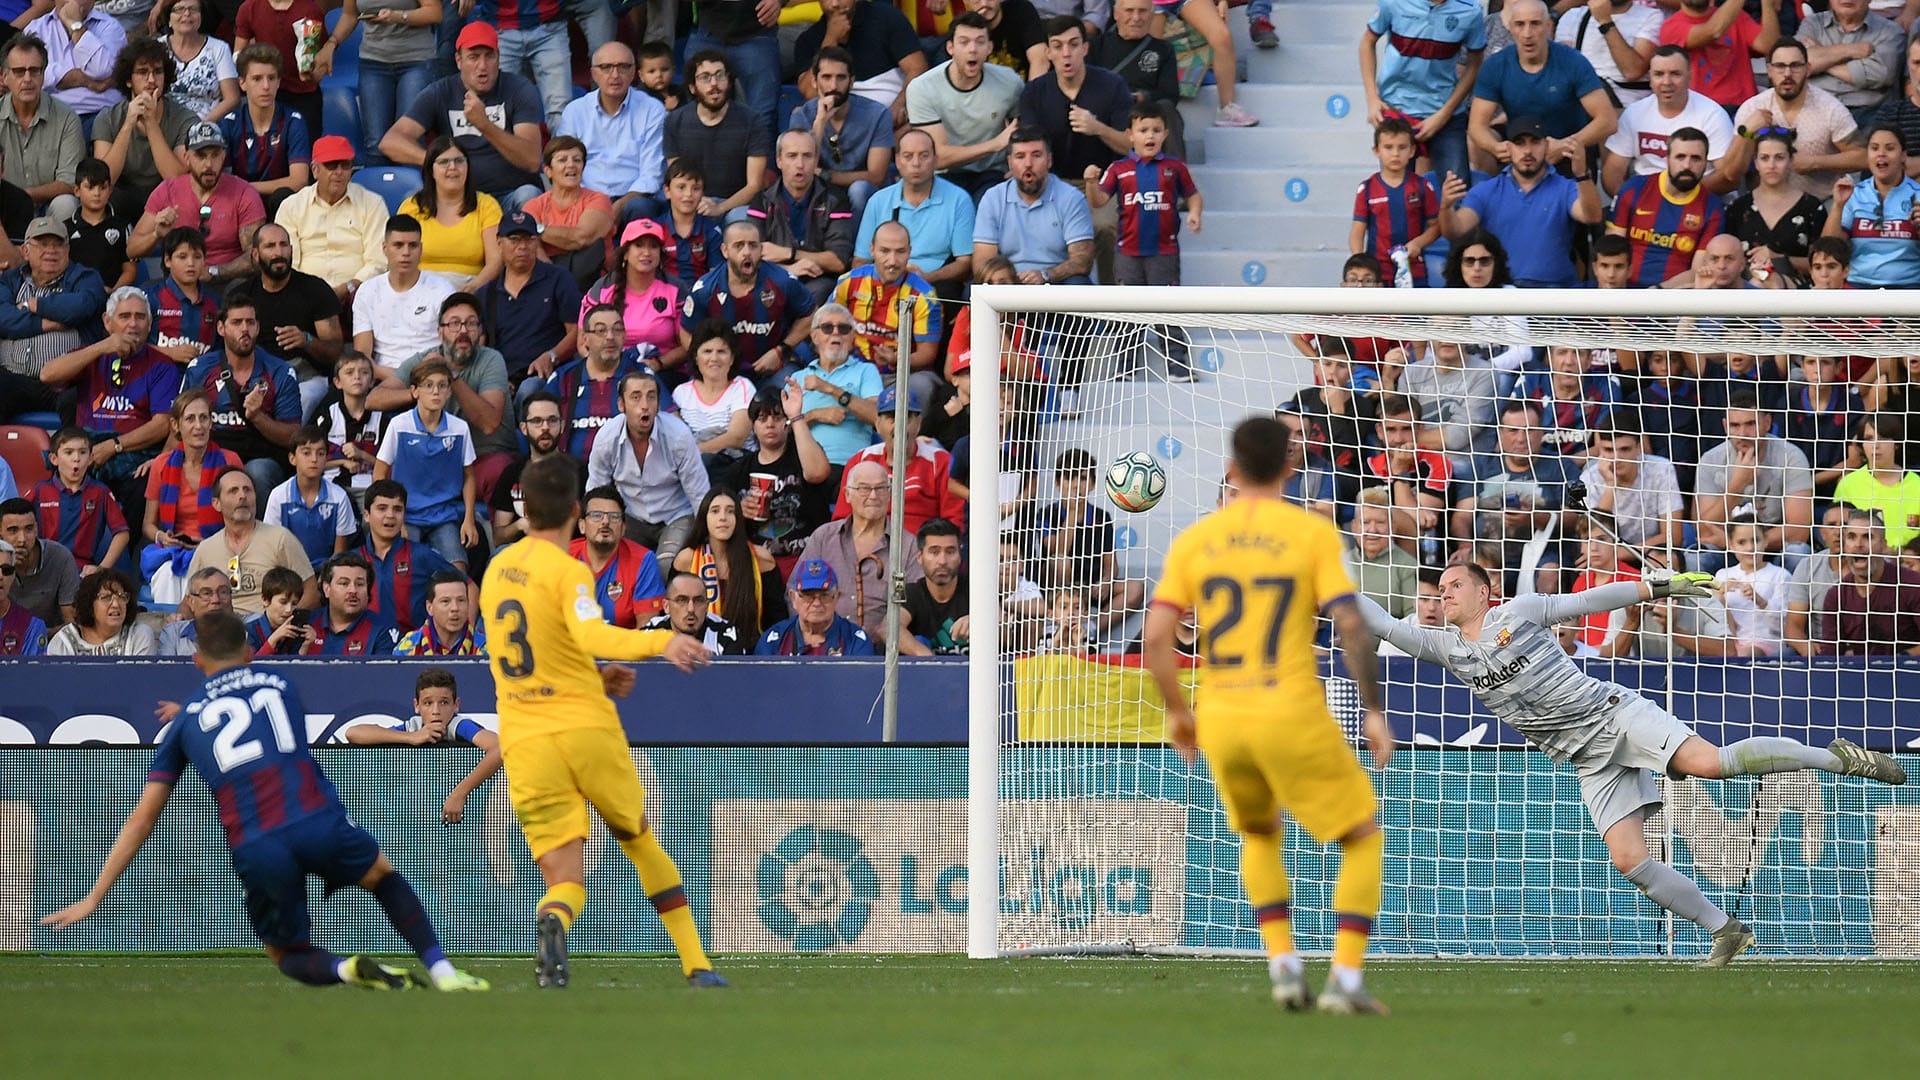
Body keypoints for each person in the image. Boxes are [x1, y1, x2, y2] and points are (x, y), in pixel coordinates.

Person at [1360, 559, 1904, 966]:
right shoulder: (1444, 647)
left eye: (1455, 585)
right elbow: (1382, 624)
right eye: (1441, 588)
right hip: (1585, 757)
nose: (1444, 594)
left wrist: (1656, 586)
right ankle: (1727, 930)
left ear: (1486, 591)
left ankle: (1836, 758)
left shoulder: (1518, 612)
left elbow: (1591, 601)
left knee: (1709, 764)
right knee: (1630, 862)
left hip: (1614, 714)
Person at [40, 608, 490, 992]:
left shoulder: (187, 721)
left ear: (196, 660)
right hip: (317, 819)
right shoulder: (280, 685)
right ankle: (443, 970)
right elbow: (251, 713)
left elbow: (143, 817)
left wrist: (94, 896)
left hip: (257, 843)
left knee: (284, 952)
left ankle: (344, 968)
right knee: (383, 876)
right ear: (251, 650)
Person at [1143, 415, 1391, 1012]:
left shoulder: (1196, 540)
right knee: (1361, 835)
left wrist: (1178, 714)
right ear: (1289, 466)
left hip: (1222, 716)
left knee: (1259, 831)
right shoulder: (1309, 535)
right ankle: (1345, 981)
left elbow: (1155, 636)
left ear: (1232, 466)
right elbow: (1351, 625)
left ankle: (1283, 965)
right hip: (1290, 709)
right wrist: (1374, 712)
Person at [478, 452, 720, 988]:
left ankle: (553, 920)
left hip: (524, 737)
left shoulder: (496, 569)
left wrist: (593, 673)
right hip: (583, 727)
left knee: (565, 876)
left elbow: (536, 646)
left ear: (522, 505)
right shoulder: (569, 571)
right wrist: (663, 640)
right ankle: (697, 964)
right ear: (574, 512)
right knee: (637, 838)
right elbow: (589, 634)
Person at [31, 285, 178, 523]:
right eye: (124, 316)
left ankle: (121, 558)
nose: (133, 324)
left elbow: (162, 424)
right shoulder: (92, 354)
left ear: (150, 325)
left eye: (140, 317)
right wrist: (103, 346)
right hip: (87, 452)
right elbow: (48, 374)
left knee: (143, 484)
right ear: (107, 322)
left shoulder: (162, 365)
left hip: (133, 454)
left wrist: (114, 446)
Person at [1085, 101, 1198, 379]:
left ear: (1165, 134)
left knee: (1167, 308)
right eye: (1143, 130)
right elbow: (1099, 200)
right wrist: (1090, 182)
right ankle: (1126, 367)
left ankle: (1177, 365)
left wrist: (1195, 212)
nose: (1150, 136)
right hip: (1128, 253)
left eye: (1156, 130)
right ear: (1130, 135)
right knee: (1128, 311)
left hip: (1164, 252)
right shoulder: (1119, 169)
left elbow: (1192, 194)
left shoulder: (1175, 167)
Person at [369, 291, 518, 500]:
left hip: (484, 457)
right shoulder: (426, 358)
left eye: (471, 324)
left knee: (500, 469)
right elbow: (373, 399)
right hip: (437, 460)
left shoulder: (491, 359)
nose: (463, 331)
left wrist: (451, 375)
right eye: (455, 324)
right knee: (395, 473)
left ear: (480, 330)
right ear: (440, 332)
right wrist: (421, 390)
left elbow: (489, 423)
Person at [379, 22, 544, 211]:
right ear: (458, 61)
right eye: (473, 57)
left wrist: (485, 125)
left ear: (498, 58)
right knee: (414, 201)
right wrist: (440, 161)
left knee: (530, 196)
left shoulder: (519, 89)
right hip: (459, 199)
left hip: (510, 193)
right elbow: (390, 142)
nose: (482, 66)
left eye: (489, 56)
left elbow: (531, 160)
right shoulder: (440, 92)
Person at [1022, 16, 1131, 284]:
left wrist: (1098, 128)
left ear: (1085, 48)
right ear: (1047, 52)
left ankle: (1112, 305)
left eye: (1073, 44)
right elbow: (1030, 147)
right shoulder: (1034, 91)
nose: (1066, 53)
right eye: (1057, 46)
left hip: (1105, 182)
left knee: (1105, 226)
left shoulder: (1112, 85)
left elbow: (1130, 145)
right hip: (1053, 184)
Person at [1439, 115, 1604, 288]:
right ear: (1508, 147)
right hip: (1503, 294)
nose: (1527, 151)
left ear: (1547, 145)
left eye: (1535, 142)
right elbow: (1456, 231)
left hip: (1555, 295)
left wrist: (1582, 174)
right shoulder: (1487, 190)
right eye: (1520, 143)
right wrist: (1446, 207)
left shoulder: (1566, 188)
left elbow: (1591, 216)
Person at [1470, 1, 1617, 171]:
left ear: (1548, 26)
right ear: (1510, 27)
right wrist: (1495, 147)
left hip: (1567, 147)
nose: (1527, 33)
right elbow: (1476, 126)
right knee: (1477, 144)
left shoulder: (1573, 61)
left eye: (1535, 24)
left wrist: (1565, 145)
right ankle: (1492, 191)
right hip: (1519, 145)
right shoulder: (1496, 65)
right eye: (1520, 24)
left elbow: (1608, 120)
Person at [343, 667, 501, 825]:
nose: (436, 711)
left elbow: (498, 748)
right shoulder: (413, 726)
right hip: (423, 816)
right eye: (428, 703)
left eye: (444, 702)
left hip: (471, 814)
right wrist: (411, 737)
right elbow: (353, 733)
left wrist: (459, 793)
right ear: (416, 705)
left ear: (456, 705)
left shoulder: (460, 726)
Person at [585, 370, 708, 565]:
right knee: (620, 566)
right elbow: (596, 492)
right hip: (631, 517)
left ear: (659, 404)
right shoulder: (607, 437)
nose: (645, 405)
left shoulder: (679, 436)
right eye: (635, 397)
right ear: (621, 405)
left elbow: (699, 494)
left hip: (676, 515)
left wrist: (708, 541)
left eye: (651, 397)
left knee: (665, 565)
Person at [1360, 0, 1487, 187]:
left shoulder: (1470, 10)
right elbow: (1367, 42)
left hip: (1445, 113)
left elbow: (1475, 61)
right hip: (1398, 109)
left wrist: (1444, 114)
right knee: (1396, 191)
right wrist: (1372, 98)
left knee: (1457, 193)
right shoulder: (1393, 3)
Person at [180, 297, 301, 493]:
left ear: (258, 328)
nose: (244, 329)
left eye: (250, 322)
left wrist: (258, 417)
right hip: (211, 452)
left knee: (258, 473)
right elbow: (179, 424)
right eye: (236, 323)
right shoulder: (200, 368)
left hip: (260, 458)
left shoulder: (280, 371)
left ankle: (259, 525)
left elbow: (293, 436)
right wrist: (163, 458)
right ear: (221, 328)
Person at [1723, 37, 1865, 200]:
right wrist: (1747, 133)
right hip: (1765, 204)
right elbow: (1731, 173)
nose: (1787, 74)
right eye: (1780, 66)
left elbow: (1862, 157)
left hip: (1820, 202)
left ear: (1808, 69)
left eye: (1795, 66)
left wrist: (1815, 162)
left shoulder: (1830, 108)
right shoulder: (1752, 108)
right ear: (1769, 70)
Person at [226, 221, 344, 419]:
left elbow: (336, 352)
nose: (278, 253)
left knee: (298, 404)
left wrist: (306, 341)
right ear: (255, 254)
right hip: (254, 376)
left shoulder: (315, 290)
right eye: (270, 246)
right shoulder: (241, 295)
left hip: (305, 378)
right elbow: (227, 349)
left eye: (283, 245)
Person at [680, 219, 816, 388]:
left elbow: (810, 313)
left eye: (753, 245)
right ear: (725, 250)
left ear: (761, 249)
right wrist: (708, 366)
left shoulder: (782, 281)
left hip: (772, 369)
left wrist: (782, 351)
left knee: (790, 391)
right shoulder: (705, 289)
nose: (747, 252)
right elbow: (686, 331)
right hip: (722, 373)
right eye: (739, 245)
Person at [1691, 391, 1815, 574]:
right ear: (1725, 426)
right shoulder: (1710, 460)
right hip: (1727, 552)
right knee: (1694, 558)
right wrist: (1737, 486)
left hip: (1773, 549)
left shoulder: (1791, 456)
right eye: (1735, 425)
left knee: (1798, 553)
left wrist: (1742, 543)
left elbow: (1799, 530)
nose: (1743, 434)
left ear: (1767, 423)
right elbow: (1704, 531)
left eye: (1750, 424)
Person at [798, 457, 923, 638]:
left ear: (890, 494)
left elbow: (912, 604)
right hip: (824, 645)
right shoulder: (824, 538)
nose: (873, 495)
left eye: (881, 488)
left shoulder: (908, 545)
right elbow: (795, 592)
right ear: (847, 494)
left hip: (882, 651)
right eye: (864, 488)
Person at [907, 13, 1025, 201]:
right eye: (964, 42)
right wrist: (995, 145)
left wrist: (1019, 166)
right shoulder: (923, 88)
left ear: (989, 48)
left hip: (992, 173)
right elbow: (937, 156)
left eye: (980, 42)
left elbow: (1023, 130)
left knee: (987, 210)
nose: (972, 49)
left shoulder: (1010, 82)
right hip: (943, 174)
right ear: (950, 48)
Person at [373, 359, 476, 570]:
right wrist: (394, 518)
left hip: (443, 515)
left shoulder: (460, 428)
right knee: (404, 569)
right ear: (414, 391)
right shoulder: (399, 425)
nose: (435, 391)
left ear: (449, 391)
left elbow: (469, 476)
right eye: (428, 385)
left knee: (458, 570)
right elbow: (380, 473)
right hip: (407, 514)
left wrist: (469, 519)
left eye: (442, 385)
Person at [127, 119, 264, 276]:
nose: (208, 165)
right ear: (187, 157)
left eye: (215, 155)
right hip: (178, 281)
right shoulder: (167, 191)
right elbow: (132, 249)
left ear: (223, 156)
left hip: (228, 282)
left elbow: (256, 255)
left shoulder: (244, 193)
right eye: (201, 156)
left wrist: (213, 272)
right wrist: (156, 235)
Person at [853, 128, 975, 304]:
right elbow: (860, 260)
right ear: (897, 161)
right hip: (884, 281)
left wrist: (925, 278)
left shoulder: (959, 199)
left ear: (936, 160)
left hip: (936, 285)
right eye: (908, 156)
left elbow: (965, 264)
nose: (916, 163)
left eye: (924, 156)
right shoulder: (878, 201)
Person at [554, 42, 665, 228]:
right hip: (585, 198)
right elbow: (564, 166)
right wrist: (595, 205)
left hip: (633, 198)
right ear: (594, 74)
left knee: (640, 207)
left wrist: (620, 205)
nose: (615, 75)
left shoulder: (653, 110)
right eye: (606, 67)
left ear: (634, 73)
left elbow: (652, 174)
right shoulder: (575, 111)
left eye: (623, 67)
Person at [1601, 46, 1738, 196]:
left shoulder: (1712, 115)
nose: (1666, 82)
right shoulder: (1634, 113)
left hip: (1699, 199)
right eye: (1659, 74)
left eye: (1675, 74)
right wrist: (1626, 203)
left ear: (1689, 77)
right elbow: (1613, 172)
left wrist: (1674, 198)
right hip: (1645, 199)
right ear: (1650, 79)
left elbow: (1727, 178)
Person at [831, 383, 964, 536]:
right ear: (878, 424)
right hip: (868, 550)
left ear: (918, 423)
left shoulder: (940, 461)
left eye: (906, 417)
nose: (899, 425)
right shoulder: (861, 460)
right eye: (891, 418)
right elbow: (842, 521)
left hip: (921, 552)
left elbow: (955, 522)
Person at [184, 466, 318, 615]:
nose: (242, 496)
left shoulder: (280, 538)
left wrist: (287, 622)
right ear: (217, 503)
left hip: (268, 630)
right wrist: (179, 618)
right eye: (233, 491)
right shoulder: (206, 549)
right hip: (220, 631)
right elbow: (188, 602)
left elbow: (311, 594)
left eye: (247, 490)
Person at [833, 220, 943, 399]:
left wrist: (897, 360)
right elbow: (827, 325)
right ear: (872, 249)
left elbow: (927, 353)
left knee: (922, 385)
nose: (892, 261)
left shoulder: (925, 295)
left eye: (900, 252)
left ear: (909, 252)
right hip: (852, 368)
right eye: (884, 251)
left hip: (898, 375)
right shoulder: (848, 282)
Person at [723, 385, 832, 565]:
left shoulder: (802, 456)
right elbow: (719, 517)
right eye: (762, 418)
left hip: (807, 557)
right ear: (753, 427)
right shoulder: (738, 470)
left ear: (787, 424)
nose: (770, 423)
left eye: (777, 416)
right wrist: (737, 511)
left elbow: (818, 473)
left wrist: (796, 417)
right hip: (757, 561)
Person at [320, 0, 439, 165]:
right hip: (373, 62)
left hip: (416, 60)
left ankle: (412, 189)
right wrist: (331, 43)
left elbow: (435, 12)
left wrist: (399, 16)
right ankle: (377, 187)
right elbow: (349, 15)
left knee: (408, 141)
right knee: (375, 144)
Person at [89, 37, 196, 219]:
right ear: (129, 80)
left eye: (158, 72)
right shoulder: (108, 118)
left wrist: (151, 123)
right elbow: (103, 181)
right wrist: (128, 124)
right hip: (121, 198)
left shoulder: (185, 118)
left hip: (166, 198)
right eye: (142, 72)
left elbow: (177, 179)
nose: (151, 80)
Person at [274, 135, 388, 305]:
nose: (339, 172)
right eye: (331, 165)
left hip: (358, 295)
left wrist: (348, 288)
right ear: (314, 170)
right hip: (305, 297)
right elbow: (290, 262)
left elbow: (378, 261)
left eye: (345, 165)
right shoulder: (292, 206)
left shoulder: (372, 203)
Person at [1606, 127, 1725, 287]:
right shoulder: (1635, 188)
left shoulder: (1713, 207)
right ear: (1667, 159)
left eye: (1696, 158)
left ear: (1706, 163)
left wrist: (1659, 291)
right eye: (1680, 157)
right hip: (1625, 292)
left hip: (1674, 297)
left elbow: (1699, 271)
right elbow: (1611, 250)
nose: (1687, 166)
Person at [745, 129, 853, 305]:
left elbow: (838, 261)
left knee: (818, 292)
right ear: (779, 161)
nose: (800, 164)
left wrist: (789, 253)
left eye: (807, 156)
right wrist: (789, 270)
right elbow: (750, 259)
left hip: (819, 280)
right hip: (774, 277)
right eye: (792, 156)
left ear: (816, 160)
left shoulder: (835, 199)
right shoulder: (762, 200)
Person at [479, 209, 581, 393]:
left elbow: (577, 331)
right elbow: (480, 346)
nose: (522, 246)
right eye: (514, 239)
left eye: (529, 239)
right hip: (503, 380)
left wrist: (552, 356)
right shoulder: (487, 293)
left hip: (548, 376)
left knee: (529, 389)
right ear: (499, 242)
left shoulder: (559, 279)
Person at [663, 49, 770, 223]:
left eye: (720, 75)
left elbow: (755, 185)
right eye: (705, 77)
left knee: (740, 219)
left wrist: (720, 208)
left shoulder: (752, 121)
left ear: (728, 81)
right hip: (693, 201)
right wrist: (698, 203)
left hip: (736, 204)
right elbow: (678, 179)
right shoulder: (675, 121)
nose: (714, 83)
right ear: (692, 87)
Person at [790, 47, 893, 221]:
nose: (833, 86)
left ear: (852, 81)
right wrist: (820, 122)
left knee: (858, 190)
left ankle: (857, 248)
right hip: (819, 192)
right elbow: (802, 168)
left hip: (864, 194)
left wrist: (825, 175)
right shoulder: (802, 116)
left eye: (841, 78)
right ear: (814, 81)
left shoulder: (878, 114)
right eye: (826, 77)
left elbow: (876, 176)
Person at [139, 389, 235, 574]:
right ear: (176, 425)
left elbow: (241, 522)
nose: (198, 426)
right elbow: (148, 525)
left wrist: (209, 544)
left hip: (219, 549)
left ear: (211, 423)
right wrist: (162, 537)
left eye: (203, 418)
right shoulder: (161, 464)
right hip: (173, 550)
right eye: (190, 419)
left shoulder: (229, 461)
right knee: (167, 574)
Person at [0, 216, 105, 383]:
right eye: (43, 244)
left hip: (67, 381)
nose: (51, 250)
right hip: (11, 378)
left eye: (58, 244)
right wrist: (46, 324)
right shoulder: (8, 280)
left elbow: (82, 305)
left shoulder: (85, 277)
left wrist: (35, 305)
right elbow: (3, 318)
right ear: (25, 251)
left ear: (68, 250)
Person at [1722, 129, 1828, 286]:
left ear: (1791, 161)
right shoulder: (1737, 208)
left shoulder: (1811, 208)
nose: (1771, 165)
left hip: (1796, 294)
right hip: (1744, 291)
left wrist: (1779, 258)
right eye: (1765, 158)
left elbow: (1823, 263)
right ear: (1756, 163)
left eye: (1779, 158)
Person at [794, 0, 926, 126]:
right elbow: (810, 93)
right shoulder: (807, 39)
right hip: (839, 119)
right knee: (799, 114)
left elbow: (917, 68)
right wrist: (831, 39)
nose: (834, 4)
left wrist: (900, 104)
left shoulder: (886, 17)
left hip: (892, 115)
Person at [400, 135, 503, 292]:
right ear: (431, 170)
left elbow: (496, 261)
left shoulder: (486, 205)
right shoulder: (412, 206)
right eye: (443, 162)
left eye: (459, 161)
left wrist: (473, 287)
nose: (453, 167)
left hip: (471, 288)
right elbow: (399, 255)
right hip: (420, 287)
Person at [548, 304, 651, 458]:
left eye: (617, 329)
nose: (610, 336)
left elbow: (671, 423)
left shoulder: (642, 376)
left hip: (628, 473)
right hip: (571, 474)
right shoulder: (563, 377)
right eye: (601, 330)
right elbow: (538, 423)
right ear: (585, 339)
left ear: (624, 336)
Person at [351, 216, 455, 370]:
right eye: (398, 245)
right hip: (383, 378)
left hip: (431, 376)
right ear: (384, 248)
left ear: (421, 249)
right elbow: (363, 356)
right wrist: (397, 379)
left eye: (413, 245)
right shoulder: (367, 291)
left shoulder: (442, 289)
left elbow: (452, 349)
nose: (406, 252)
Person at [218, 43, 308, 220]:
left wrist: (248, 187)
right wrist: (245, 192)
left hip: (280, 206)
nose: (266, 86)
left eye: (272, 78)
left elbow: (299, 181)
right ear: (242, 83)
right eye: (257, 79)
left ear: (279, 82)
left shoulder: (293, 121)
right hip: (239, 203)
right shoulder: (229, 123)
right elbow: (222, 181)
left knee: (283, 196)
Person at [1822, 125, 1920, 288]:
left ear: (1903, 156)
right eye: (1874, 148)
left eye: (1890, 148)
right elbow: (1828, 251)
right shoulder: (1853, 194)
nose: (1881, 154)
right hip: (1859, 287)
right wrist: (1838, 206)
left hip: (1909, 289)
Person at [354, 478, 457, 632]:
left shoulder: (421, 555)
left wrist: (465, 636)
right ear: (367, 515)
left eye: (397, 509)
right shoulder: (353, 561)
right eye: (382, 508)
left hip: (413, 651)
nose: (390, 515)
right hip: (366, 650)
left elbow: (467, 586)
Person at [1, 33, 86, 216]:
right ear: (4, 77)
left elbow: (70, 182)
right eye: (19, 72)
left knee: (67, 204)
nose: (27, 79)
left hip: (50, 209)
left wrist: (24, 196)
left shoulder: (67, 118)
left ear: (43, 74)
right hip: (3, 206)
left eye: (34, 70)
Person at [672, 485, 776, 635]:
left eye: (730, 511)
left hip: (749, 651)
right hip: (698, 650)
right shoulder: (687, 559)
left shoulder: (761, 559)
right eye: (715, 511)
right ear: (704, 518)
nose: (723, 517)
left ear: (738, 518)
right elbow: (673, 613)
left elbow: (775, 619)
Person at [791, 302, 884, 469]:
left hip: (851, 468)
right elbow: (779, 431)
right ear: (814, 336)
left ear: (852, 337)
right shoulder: (798, 377)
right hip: (803, 468)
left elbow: (878, 417)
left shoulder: (866, 371)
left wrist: (832, 390)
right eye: (827, 328)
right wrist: (815, 415)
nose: (836, 333)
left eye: (844, 329)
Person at [1817, 506, 1920, 653]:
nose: (1859, 544)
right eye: (1851, 537)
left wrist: (1901, 659)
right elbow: (1830, 655)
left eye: (1868, 537)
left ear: (1884, 545)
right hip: (1859, 674)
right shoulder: (1836, 596)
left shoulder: (1913, 584)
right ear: (1845, 545)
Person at [1350, 116, 1438, 287]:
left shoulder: (1422, 186)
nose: (1396, 153)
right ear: (1377, 151)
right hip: (1377, 273)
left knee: (1413, 313)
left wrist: (1418, 243)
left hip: (1414, 270)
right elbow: (1357, 231)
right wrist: (1361, 263)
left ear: (1412, 151)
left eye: (1402, 147)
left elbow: (1437, 226)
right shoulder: (1367, 188)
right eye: (1388, 147)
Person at [523, 136, 615, 293]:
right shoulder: (534, 206)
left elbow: (581, 238)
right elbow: (533, 249)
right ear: (548, 171)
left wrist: (538, 229)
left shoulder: (599, 200)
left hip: (594, 283)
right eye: (562, 160)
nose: (571, 164)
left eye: (577, 160)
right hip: (548, 282)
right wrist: (556, 281)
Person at [30, 426, 129, 572]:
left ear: (90, 458)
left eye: (82, 452)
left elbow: (122, 533)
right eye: (69, 452)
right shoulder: (39, 490)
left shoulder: (100, 491)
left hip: (81, 570)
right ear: (54, 459)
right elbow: (13, 521)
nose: (76, 459)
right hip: (44, 569)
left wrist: (101, 568)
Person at [570, 484, 668, 629]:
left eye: (614, 517)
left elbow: (646, 631)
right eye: (596, 515)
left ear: (623, 528)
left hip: (623, 651)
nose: (605, 522)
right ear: (582, 526)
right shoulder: (563, 556)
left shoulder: (643, 561)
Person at [1582, 421, 1684, 557]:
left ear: (1638, 447)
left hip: (1650, 554)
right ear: (1599, 450)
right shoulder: (1589, 478)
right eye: (1608, 450)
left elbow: (1674, 537)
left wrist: (1618, 554)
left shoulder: (1661, 469)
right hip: (1607, 559)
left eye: (1624, 449)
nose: (1616, 458)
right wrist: (1610, 485)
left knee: (1664, 558)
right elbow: (1593, 536)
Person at [582, 219, 680, 359]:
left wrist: (659, 363)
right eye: (639, 246)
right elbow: (582, 342)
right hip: (610, 369)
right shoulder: (603, 288)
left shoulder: (676, 289)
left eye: (653, 246)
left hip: (662, 371)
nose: (646, 253)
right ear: (626, 253)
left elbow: (687, 346)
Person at [1799, 0, 1904, 133]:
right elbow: (1797, 63)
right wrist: (1852, 50)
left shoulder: (1891, 31)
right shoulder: (1812, 24)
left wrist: (1821, 61)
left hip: (1869, 113)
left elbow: (1881, 75)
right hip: (1816, 110)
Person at [1660, 0, 1781, 113]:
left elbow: (1769, 46)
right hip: (1699, 112)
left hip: (1743, 109)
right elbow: (1714, 32)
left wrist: (1768, 4)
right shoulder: (1670, 27)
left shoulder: (1736, 16)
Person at [263, 422, 355, 568]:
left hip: (327, 573)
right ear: (292, 458)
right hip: (290, 572)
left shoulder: (339, 497)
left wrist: (324, 579)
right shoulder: (278, 496)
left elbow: (339, 554)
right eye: (306, 453)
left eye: (320, 453)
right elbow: (273, 547)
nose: (314, 459)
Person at [230, 0, 326, 137]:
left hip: (303, 92)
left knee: (306, 146)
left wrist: (312, 71)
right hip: (265, 89)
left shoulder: (310, 9)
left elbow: (320, 58)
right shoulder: (249, 8)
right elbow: (239, 55)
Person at [31, 0, 126, 137]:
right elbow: (31, 74)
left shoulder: (111, 27)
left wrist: (75, 26)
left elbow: (101, 70)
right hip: (52, 116)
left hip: (101, 113)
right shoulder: (36, 29)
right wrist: (82, 79)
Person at [753, 556, 875, 656]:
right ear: (793, 598)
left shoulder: (856, 640)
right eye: (807, 595)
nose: (816, 603)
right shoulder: (774, 640)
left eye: (825, 595)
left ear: (837, 597)